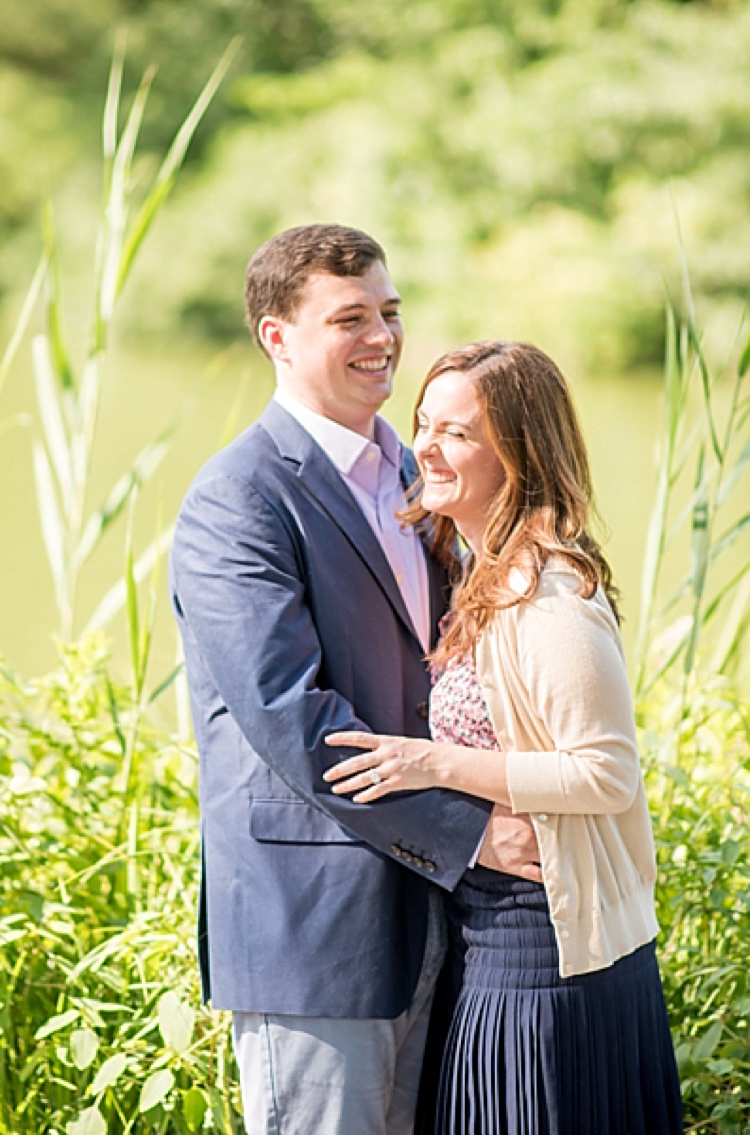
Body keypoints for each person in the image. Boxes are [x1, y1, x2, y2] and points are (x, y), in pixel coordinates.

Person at [170, 226, 542, 1135]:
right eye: (349, 318)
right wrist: (474, 834)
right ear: (277, 337)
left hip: (444, 921)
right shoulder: (238, 498)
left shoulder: (419, 474)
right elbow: (294, 718)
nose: (381, 336)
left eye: (389, 311)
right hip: (317, 927)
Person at [324, 340, 683, 1134]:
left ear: (516, 454)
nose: (425, 445)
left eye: (456, 432)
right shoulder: (478, 574)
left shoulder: (548, 593)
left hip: (548, 950)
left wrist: (432, 762)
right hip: (489, 934)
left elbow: (605, 774)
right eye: (423, 422)